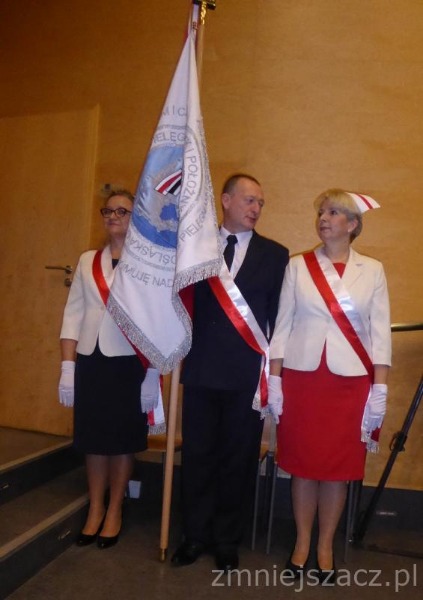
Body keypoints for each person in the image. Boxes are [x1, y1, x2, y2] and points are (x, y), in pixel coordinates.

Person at [268, 188, 391, 583]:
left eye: (334, 212)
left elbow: (379, 335)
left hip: (349, 384)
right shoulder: (297, 267)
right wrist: (274, 379)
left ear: (353, 224)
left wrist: (380, 389)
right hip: (303, 380)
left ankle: (325, 546)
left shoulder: (372, 270)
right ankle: (302, 542)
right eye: (322, 211)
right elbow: (282, 327)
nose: (323, 218)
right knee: (304, 466)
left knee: (337, 468)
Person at [171, 173, 289, 571]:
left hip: (245, 377)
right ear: (225, 200)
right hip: (201, 369)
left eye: (260, 203)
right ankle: (194, 535)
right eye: (249, 200)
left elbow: (278, 319)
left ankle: (226, 540)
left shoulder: (275, 255)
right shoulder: (197, 249)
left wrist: (275, 375)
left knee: (238, 459)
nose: (256, 209)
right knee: (198, 455)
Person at [58, 189, 160, 549]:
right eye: (108, 211)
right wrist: (67, 366)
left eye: (122, 211)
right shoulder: (88, 261)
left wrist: (153, 372)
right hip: (91, 360)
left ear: (136, 219)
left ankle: (115, 508)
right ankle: (95, 507)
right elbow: (73, 315)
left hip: (130, 364)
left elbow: (157, 322)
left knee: (121, 441)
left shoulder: (148, 265)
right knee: (93, 440)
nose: (113, 216)